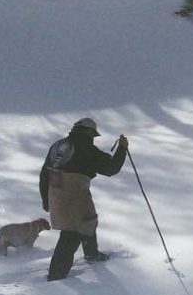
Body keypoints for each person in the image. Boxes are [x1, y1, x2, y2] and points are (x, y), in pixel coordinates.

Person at [40, 117, 128, 281]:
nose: (93, 138)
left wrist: (46, 199)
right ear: (89, 132)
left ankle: (91, 253)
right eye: (93, 135)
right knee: (72, 232)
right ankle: (56, 276)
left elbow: (44, 173)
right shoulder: (86, 148)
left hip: (55, 192)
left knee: (88, 220)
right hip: (75, 194)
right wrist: (122, 149)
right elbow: (111, 168)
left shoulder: (57, 146)